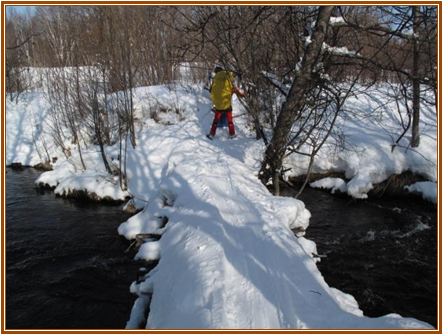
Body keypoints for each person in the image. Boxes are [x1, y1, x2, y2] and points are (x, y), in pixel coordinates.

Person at [206, 66, 245, 140]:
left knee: (216, 120)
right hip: (227, 104)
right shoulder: (228, 75)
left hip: (218, 106)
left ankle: (211, 134)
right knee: (230, 121)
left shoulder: (215, 80)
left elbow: (211, 91)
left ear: (216, 72)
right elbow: (233, 78)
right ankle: (232, 134)